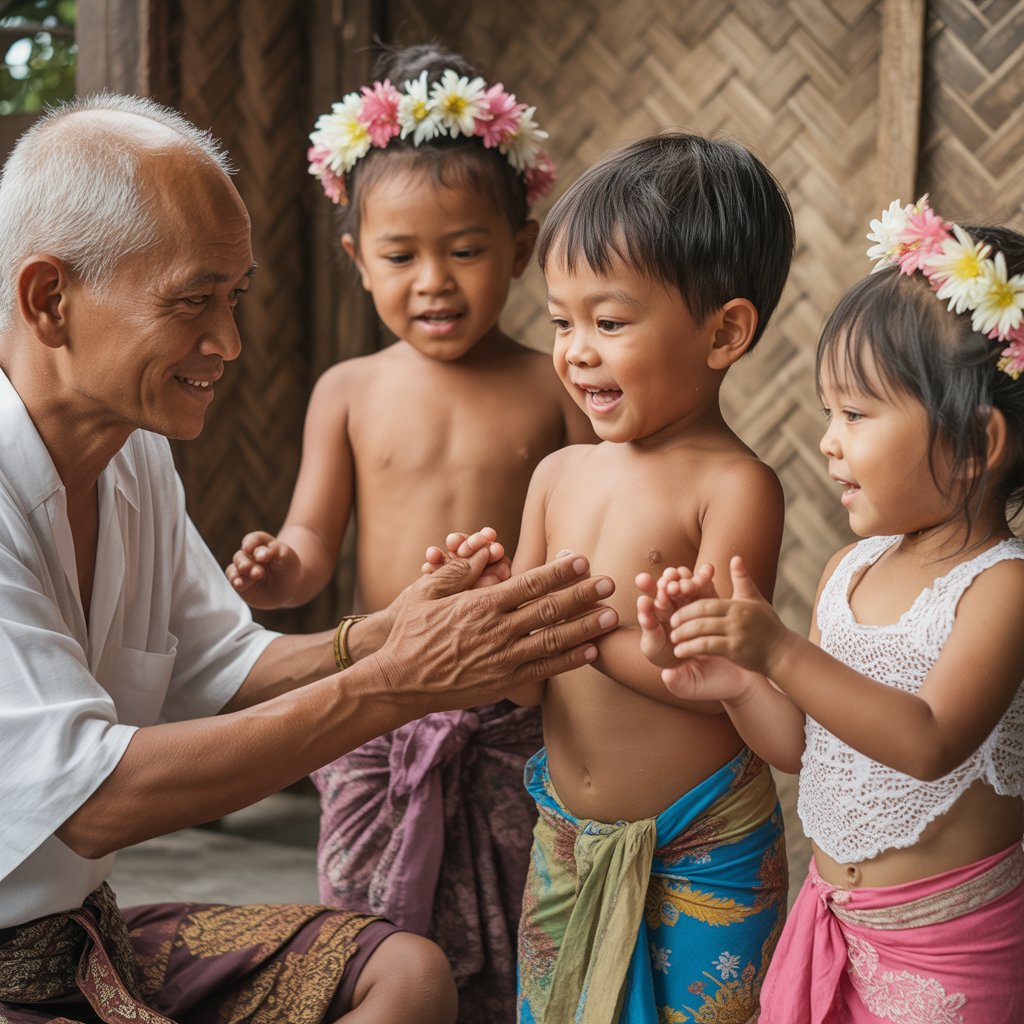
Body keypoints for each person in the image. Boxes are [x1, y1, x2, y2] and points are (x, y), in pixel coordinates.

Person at [0, 91, 619, 1024]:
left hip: (80, 934)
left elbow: (224, 663)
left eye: (234, 298)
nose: (229, 343)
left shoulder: (133, 457)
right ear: (50, 298)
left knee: (406, 974)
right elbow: (90, 803)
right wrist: (396, 683)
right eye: (192, 303)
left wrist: (382, 636)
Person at [225, 43, 592, 1023]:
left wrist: (526, 574)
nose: (433, 280)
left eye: (465, 249)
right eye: (400, 255)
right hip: (376, 721)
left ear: (521, 245)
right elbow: (312, 544)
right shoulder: (346, 393)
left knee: (521, 931)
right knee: (366, 928)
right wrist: (276, 571)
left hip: (516, 721)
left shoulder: (553, 384)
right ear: (357, 259)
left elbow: (593, 534)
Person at [655, 198, 1024, 1022]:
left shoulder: (1003, 587)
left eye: (856, 415)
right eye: (829, 411)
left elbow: (929, 742)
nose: (829, 439)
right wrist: (737, 681)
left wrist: (781, 653)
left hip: (949, 948)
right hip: (833, 923)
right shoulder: (848, 570)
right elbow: (805, 747)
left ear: (979, 444)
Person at [494, 132, 796, 1024]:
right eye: (561, 321)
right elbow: (518, 686)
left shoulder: (734, 488)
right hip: (568, 842)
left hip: (701, 849)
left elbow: (719, 688)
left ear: (724, 332)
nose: (577, 350)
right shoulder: (556, 476)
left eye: (610, 322)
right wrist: (488, 612)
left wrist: (578, 632)